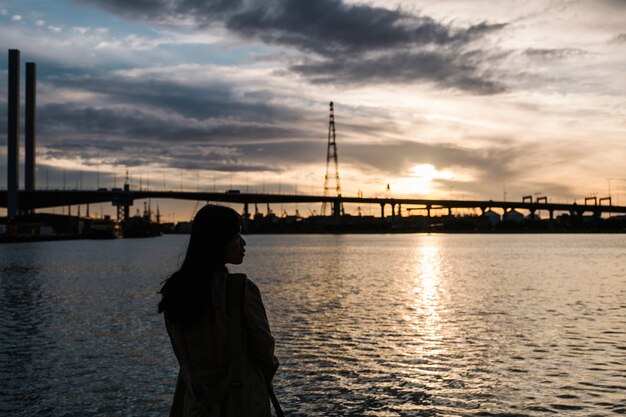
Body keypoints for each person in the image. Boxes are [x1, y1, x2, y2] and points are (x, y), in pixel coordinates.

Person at [158, 205, 279, 417]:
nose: (243, 243)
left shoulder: (174, 291)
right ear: (218, 241)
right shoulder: (240, 289)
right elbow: (265, 351)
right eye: (236, 236)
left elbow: (180, 352)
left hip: (193, 403)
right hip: (241, 402)